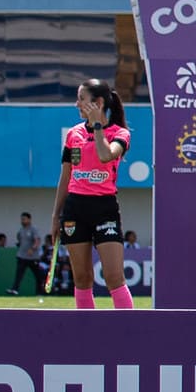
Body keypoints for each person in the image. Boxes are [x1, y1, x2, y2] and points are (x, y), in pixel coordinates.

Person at [49, 77, 137, 309]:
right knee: (82, 279)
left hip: (104, 209)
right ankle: (86, 335)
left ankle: (130, 332)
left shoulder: (120, 133)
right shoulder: (73, 135)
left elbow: (106, 155)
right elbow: (66, 176)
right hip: (75, 209)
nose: (77, 104)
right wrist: (56, 215)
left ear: (98, 103)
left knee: (114, 278)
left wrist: (98, 126)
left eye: (81, 99)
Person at [9, 211, 42, 295]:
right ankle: (14, 289)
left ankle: (40, 292)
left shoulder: (33, 229)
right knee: (19, 274)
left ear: (29, 219)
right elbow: (20, 240)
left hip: (32, 257)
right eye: (21, 219)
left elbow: (37, 240)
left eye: (24, 219)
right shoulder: (21, 230)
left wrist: (32, 249)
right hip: (22, 256)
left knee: (38, 275)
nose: (22, 221)